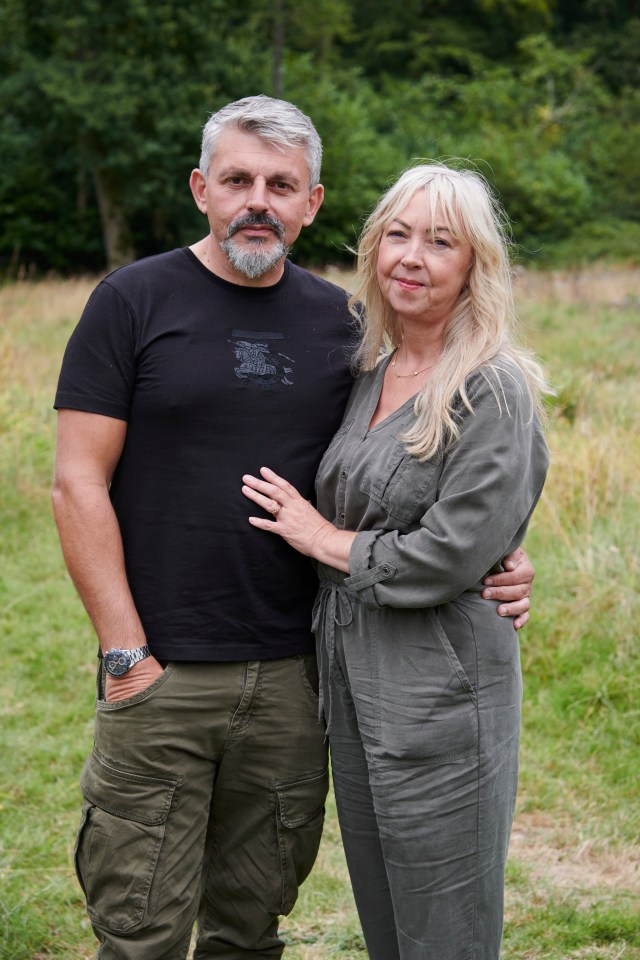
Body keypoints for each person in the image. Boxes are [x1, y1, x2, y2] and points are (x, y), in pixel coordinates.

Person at [52, 96, 536, 960]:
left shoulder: (342, 329)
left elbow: (415, 484)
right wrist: (125, 656)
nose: (258, 201)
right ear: (202, 187)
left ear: (312, 204)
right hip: (161, 671)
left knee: (250, 926)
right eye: (237, 179)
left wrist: (495, 556)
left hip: (298, 681)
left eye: (283, 184)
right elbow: (76, 481)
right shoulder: (131, 301)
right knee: (139, 930)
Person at [241, 162, 550, 960]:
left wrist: (320, 538)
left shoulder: (494, 389)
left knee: (444, 928)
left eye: (440, 241)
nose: (411, 257)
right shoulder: (369, 372)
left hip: (439, 692)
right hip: (354, 684)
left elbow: (447, 553)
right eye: (398, 236)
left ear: (475, 265)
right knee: (385, 916)